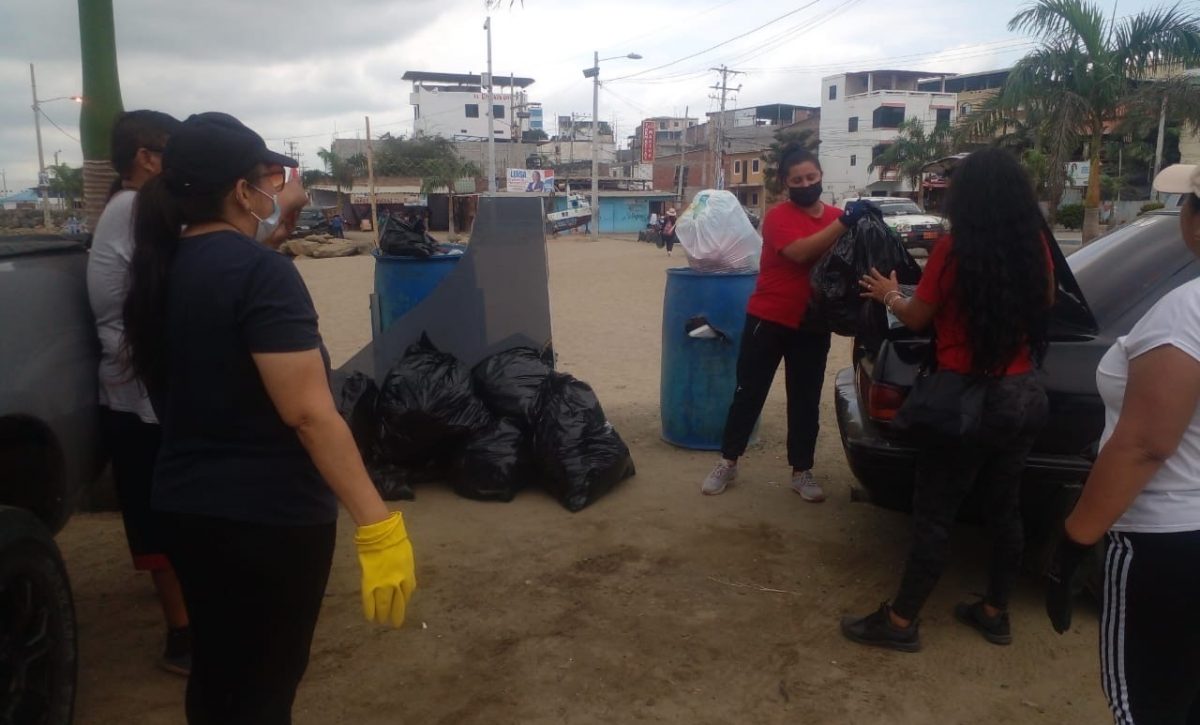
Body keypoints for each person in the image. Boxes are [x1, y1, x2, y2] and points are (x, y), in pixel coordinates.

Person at [123, 112, 415, 724]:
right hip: (268, 519)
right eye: (270, 177)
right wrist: (376, 523)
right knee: (265, 687)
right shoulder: (261, 274)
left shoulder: (160, 265)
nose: (275, 188)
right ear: (241, 189)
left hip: (184, 505)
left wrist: (278, 228)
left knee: (217, 673)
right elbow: (308, 413)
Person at [845, 147, 1053, 652]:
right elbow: (1046, 302)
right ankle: (994, 612)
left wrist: (889, 294)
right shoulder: (1035, 246)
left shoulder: (954, 251)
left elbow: (918, 317)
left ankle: (900, 621)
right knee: (1005, 509)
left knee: (935, 512)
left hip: (964, 401)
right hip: (1022, 396)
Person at [1045, 164, 1200, 723]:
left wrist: (1074, 541)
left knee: (1149, 706)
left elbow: (1144, 445)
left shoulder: (1186, 312)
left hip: (1167, 541)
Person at [86, 109, 192, 675]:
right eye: (173, 152)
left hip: (142, 386)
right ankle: (183, 637)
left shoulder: (127, 208)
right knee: (162, 518)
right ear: (147, 158)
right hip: (140, 393)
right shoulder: (134, 210)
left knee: (168, 513)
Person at [700, 145, 868, 501]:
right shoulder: (779, 217)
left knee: (805, 399)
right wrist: (845, 223)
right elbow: (800, 253)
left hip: (813, 323)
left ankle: (801, 471)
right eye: (797, 180)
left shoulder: (837, 217)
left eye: (811, 177)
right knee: (749, 393)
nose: (806, 184)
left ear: (821, 176)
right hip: (768, 318)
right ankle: (728, 461)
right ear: (786, 183)